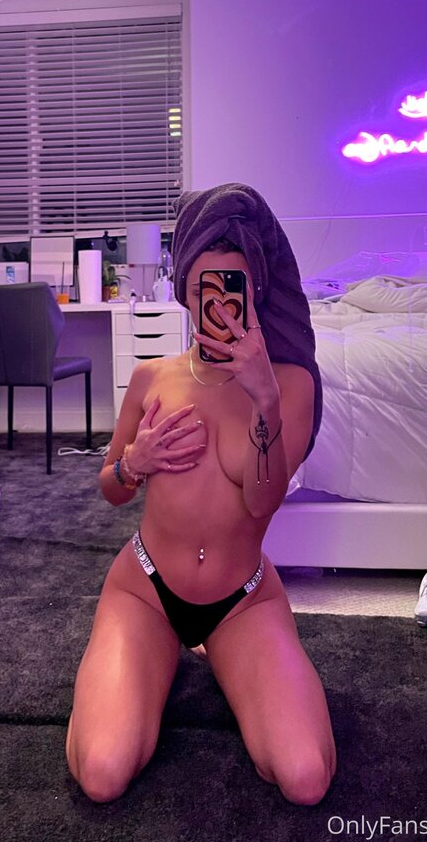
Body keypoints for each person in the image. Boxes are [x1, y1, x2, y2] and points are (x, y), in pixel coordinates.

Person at [65, 183, 336, 806]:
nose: (216, 303)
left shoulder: (290, 384)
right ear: (185, 290)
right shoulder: (151, 378)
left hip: (242, 601)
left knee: (305, 778)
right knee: (102, 774)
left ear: (255, 289)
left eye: (231, 286)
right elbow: (110, 490)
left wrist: (264, 398)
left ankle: (220, 656)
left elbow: (262, 504)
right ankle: (146, 663)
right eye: (202, 288)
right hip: (145, 590)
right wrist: (132, 463)